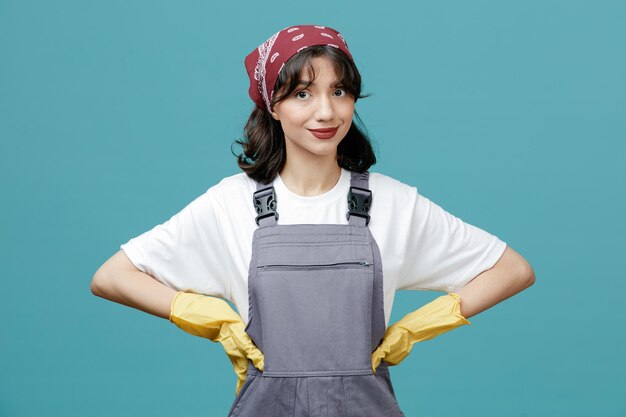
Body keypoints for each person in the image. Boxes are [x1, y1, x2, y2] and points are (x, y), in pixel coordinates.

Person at [91, 24, 535, 416]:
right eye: (303, 94)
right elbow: (112, 276)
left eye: (339, 91)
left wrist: (421, 325)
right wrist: (203, 315)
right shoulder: (230, 205)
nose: (326, 112)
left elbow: (512, 269)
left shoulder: (393, 203)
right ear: (272, 105)